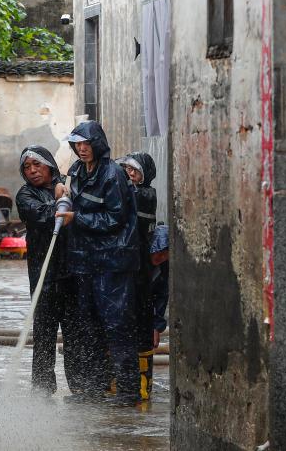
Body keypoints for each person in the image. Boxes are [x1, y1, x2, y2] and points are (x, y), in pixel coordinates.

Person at [56, 121, 141, 406]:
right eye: (77, 144)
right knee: (89, 326)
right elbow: (72, 197)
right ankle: (94, 388)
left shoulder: (112, 174)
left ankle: (128, 392)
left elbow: (115, 218)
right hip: (86, 260)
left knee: (117, 326)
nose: (82, 149)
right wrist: (63, 195)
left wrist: (76, 218)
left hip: (113, 261)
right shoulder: (77, 171)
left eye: (86, 143)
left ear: (97, 144)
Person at [15, 145, 82, 396]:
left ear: (50, 165)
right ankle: (42, 390)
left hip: (72, 273)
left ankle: (80, 388)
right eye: (27, 167)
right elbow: (44, 216)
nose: (32, 171)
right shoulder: (25, 195)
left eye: (37, 165)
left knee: (75, 334)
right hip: (43, 275)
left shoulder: (69, 185)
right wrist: (58, 199)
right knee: (44, 335)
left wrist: (65, 192)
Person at [117, 152, 158, 401]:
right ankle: (120, 380)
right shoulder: (128, 191)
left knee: (141, 321)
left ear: (145, 174)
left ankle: (143, 384)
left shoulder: (146, 194)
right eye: (127, 170)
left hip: (141, 268)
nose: (130, 174)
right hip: (126, 266)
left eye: (135, 170)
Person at [148, 224, 169, 347]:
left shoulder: (163, 268)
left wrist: (156, 327)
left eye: (166, 254)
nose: (162, 257)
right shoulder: (138, 262)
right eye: (160, 252)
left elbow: (161, 296)